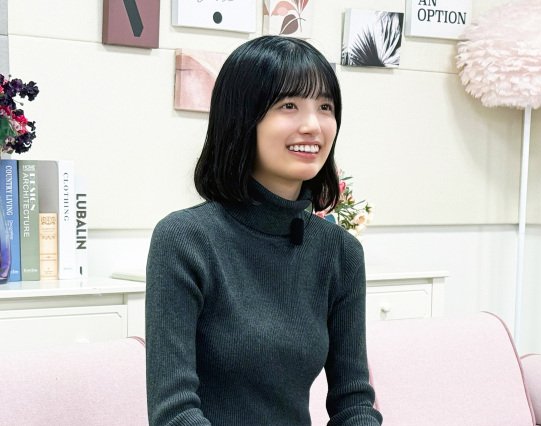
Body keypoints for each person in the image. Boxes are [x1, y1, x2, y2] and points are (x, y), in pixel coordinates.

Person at [145, 35, 382, 425]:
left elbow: (353, 402)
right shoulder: (185, 239)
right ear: (243, 118)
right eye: (289, 105)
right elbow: (174, 413)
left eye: (325, 107)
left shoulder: (339, 252)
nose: (313, 125)